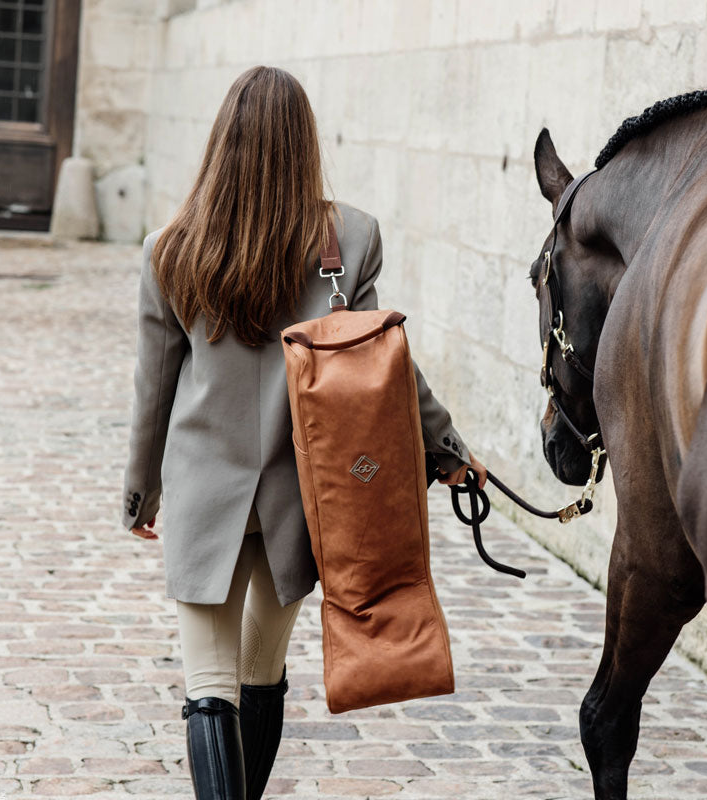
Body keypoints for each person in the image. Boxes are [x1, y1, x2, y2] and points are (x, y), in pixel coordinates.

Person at [120, 65, 487, 800]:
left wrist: (141, 492)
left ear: (221, 142)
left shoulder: (170, 249)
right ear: (303, 142)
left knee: (209, 686)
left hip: (202, 497)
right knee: (261, 675)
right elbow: (385, 365)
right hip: (303, 501)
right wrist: (447, 451)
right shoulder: (347, 238)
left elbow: (153, 388)